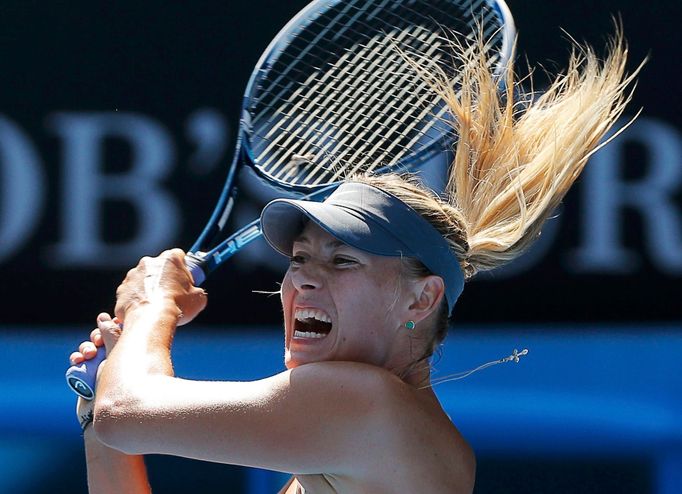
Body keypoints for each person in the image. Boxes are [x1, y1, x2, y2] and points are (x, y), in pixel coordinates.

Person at [69, 29, 641, 493]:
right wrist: (99, 422)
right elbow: (121, 416)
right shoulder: (357, 436)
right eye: (299, 258)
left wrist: (150, 307)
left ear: (421, 298)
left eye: (343, 261)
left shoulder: (366, 408)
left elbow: (132, 411)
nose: (305, 278)